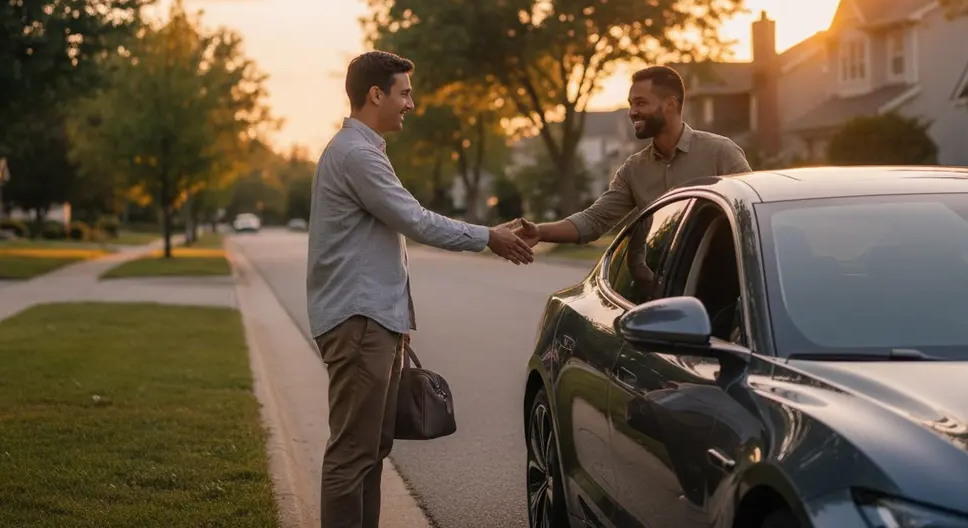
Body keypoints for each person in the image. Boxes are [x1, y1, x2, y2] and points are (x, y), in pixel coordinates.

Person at [307, 50, 533, 528]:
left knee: (371, 449)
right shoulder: (356, 155)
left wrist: (398, 325)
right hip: (359, 321)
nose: (411, 103)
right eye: (405, 93)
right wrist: (487, 236)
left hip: (374, 321)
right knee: (353, 453)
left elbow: (386, 242)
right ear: (376, 94)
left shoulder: (363, 153)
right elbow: (415, 220)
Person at [517, 65, 751, 259]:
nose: (631, 112)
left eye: (640, 103)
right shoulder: (633, 170)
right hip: (659, 288)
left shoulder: (721, 152)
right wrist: (540, 231)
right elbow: (594, 220)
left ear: (670, 104)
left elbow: (750, 215)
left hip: (722, 285)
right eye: (631, 104)